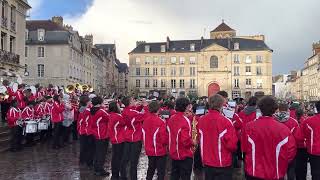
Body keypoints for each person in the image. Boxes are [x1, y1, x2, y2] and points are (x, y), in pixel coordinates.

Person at [241, 96, 296, 180]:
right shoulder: (284, 129)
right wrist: (281, 163)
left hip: (254, 171)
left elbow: (244, 149)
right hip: (275, 172)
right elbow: (290, 151)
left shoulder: (249, 127)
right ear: (275, 109)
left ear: (259, 109)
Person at [198, 94, 238, 180]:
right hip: (222, 162)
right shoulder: (226, 121)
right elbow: (232, 145)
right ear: (221, 105)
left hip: (207, 161)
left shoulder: (201, 120)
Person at [167, 97, 195, 180]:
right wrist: (193, 142)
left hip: (174, 153)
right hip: (184, 154)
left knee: (174, 176)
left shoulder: (171, 119)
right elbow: (185, 141)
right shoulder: (185, 120)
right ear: (185, 107)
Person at [274, 103, 301, 180]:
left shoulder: (273, 119)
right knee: (291, 170)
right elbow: (298, 137)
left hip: (277, 150)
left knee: (278, 171)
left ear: (278, 109)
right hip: (290, 150)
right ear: (287, 109)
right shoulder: (293, 122)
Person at [142, 101, 168, 180]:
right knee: (160, 172)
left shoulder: (145, 120)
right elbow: (164, 139)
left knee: (150, 169)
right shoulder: (160, 122)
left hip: (149, 150)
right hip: (159, 150)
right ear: (158, 109)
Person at [121, 96, 145, 180]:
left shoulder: (126, 110)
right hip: (135, 138)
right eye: (133, 100)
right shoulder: (132, 112)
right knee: (134, 161)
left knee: (125, 159)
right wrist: (145, 106)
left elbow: (135, 111)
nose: (135, 100)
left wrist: (140, 106)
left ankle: (123, 176)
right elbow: (145, 115)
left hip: (128, 136)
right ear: (130, 102)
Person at [90, 96, 110, 176]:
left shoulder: (92, 110)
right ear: (99, 103)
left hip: (95, 133)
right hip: (102, 134)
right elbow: (109, 117)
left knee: (97, 152)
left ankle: (96, 168)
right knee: (102, 153)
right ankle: (100, 170)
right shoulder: (101, 111)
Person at [301, 101, 320, 180]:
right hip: (314, 151)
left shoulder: (308, 121)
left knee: (316, 174)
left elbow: (303, 136)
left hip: (314, 152)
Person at [108, 101, 127, 180]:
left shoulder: (111, 115)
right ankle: (118, 175)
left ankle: (114, 175)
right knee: (119, 158)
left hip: (114, 138)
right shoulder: (118, 116)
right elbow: (125, 123)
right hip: (119, 139)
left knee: (115, 157)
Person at [77, 95, 94, 168]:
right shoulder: (87, 111)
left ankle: (82, 160)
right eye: (89, 101)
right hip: (86, 131)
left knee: (83, 147)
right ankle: (88, 162)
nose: (90, 102)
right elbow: (88, 122)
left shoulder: (82, 109)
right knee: (88, 148)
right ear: (87, 102)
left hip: (82, 130)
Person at [295, 108, 308, 180]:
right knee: (304, 164)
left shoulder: (293, 121)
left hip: (296, 146)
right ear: (303, 113)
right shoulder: (305, 121)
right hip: (304, 146)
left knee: (297, 164)